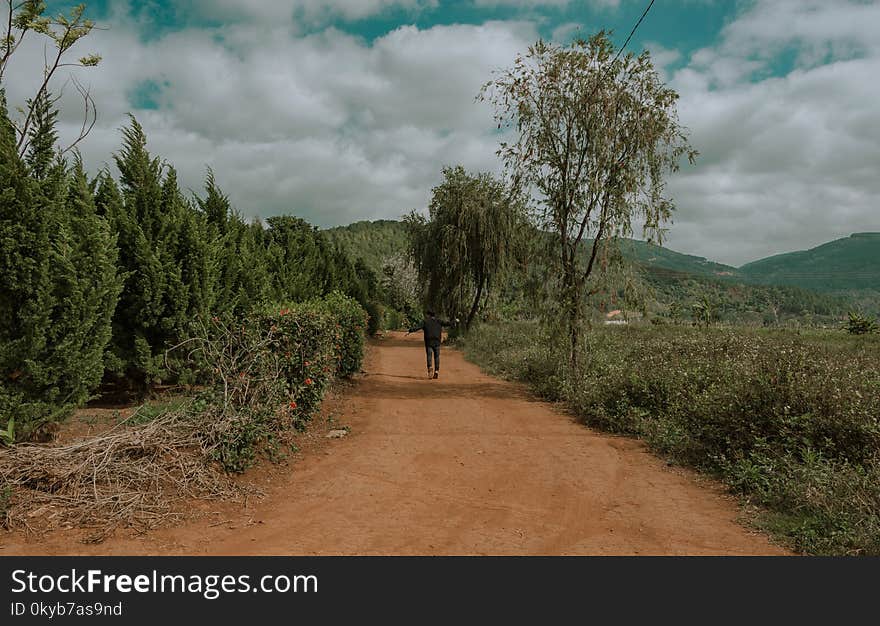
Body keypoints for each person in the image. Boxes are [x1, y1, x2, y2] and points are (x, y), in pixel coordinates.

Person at [406, 310, 458, 379]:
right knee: (436, 356)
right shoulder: (439, 321)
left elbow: (417, 327)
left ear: (428, 315)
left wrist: (410, 330)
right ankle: (436, 371)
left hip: (429, 341)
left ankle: (430, 367)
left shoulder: (425, 321)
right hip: (437, 341)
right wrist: (455, 321)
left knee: (429, 355)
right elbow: (447, 323)